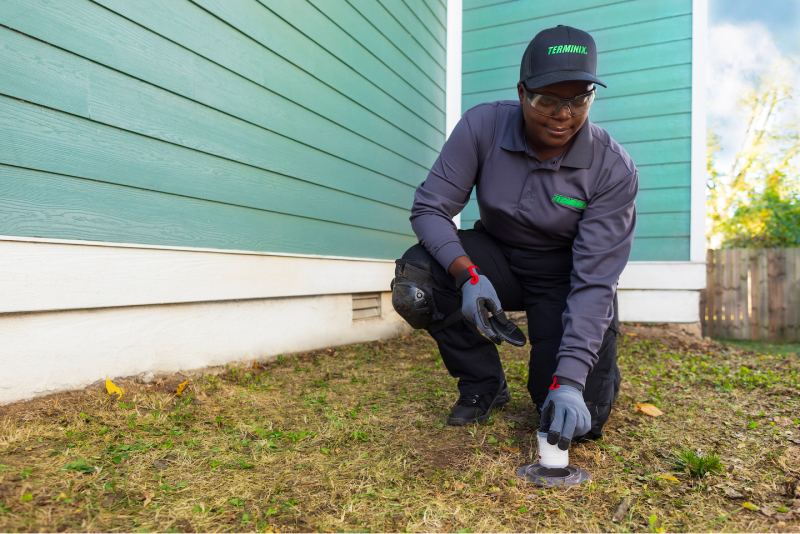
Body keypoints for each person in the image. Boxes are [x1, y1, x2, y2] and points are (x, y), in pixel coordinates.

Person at [391, 25, 637, 450]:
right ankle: (484, 384)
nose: (563, 115)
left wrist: (571, 380)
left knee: (578, 420)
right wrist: (468, 274)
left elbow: (595, 281)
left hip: (566, 276)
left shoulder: (612, 169)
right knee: (418, 282)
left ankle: (587, 376)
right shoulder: (483, 126)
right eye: (547, 100)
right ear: (522, 92)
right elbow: (431, 208)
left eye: (579, 99)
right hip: (497, 257)